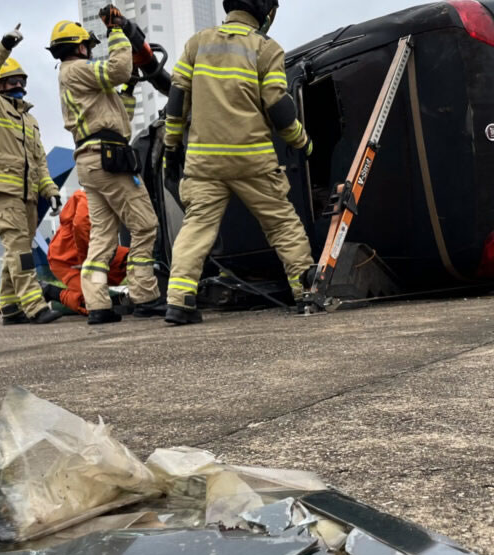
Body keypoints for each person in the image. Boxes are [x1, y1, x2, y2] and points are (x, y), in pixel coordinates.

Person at [162, 0, 315, 325]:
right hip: (252, 160)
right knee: (282, 224)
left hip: (204, 162)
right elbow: (279, 106)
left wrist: (171, 146)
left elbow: (176, 102)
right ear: (263, 11)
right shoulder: (266, 48)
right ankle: (306, 291)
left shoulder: (197, 43)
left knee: (197, 226)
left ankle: (179, 301)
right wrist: (302, 141)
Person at [47, 16, 166, 325]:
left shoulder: (78, 80)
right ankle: (145, 297)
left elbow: (119, 118)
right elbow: (118, 69)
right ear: (81, 46)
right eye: (87, 44)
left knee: (102, 236)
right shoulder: (77, 70)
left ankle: (98, 304)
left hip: (93, 158)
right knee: (145, 225)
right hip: (107, 156)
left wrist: (128, 89)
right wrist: (116, 33)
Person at [0, 25, 62, 325]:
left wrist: (50, 190)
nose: (15, 85)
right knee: (19, 248)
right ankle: (34, 304)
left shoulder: (30, 120)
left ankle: (10, 307)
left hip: (29, 194)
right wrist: (4, 46)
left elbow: (39, 160)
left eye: (19, 80)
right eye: (9, 81)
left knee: (16, 249)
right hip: (4, 192)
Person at [43, 189, 129, 315]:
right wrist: (87, 260)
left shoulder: (107, 196)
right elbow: (81, 225)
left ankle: (123, 299)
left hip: (94, 250)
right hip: (65, 259)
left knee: (131, 259)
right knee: (92, 303)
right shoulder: (86, 197)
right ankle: (53, 293)